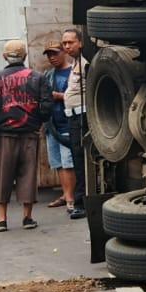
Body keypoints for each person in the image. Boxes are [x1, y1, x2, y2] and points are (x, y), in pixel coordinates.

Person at [0, 39, 52, 232]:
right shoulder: (38, 78)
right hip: (30, 133)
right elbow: (46, 106)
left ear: (4, 56)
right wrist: (38, 121)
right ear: (24, 56)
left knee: (2, 176)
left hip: (4, 135)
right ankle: (27, 218)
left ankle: (2, 220)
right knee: (28, 174)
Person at [58, 27, 89, 219]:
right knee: (77, 159)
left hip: (82, 117)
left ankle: (82, 203)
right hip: (73, 116)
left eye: (71, 42)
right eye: (64, 43)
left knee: (81, 160)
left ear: (81, 43)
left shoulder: (85, 63)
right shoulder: (75, 63)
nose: (67, 46)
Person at [42, 46, 78, 210]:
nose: (52, 57)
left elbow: (77, 97)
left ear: (63, 52)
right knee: (58, 163)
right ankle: (66, 194)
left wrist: (59, 96)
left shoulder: (73, 72)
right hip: (52, 124)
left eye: (55, 54)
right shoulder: (48, 75)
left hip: (68, 122)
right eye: (49, 55)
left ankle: (71, 197)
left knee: (68, 162)